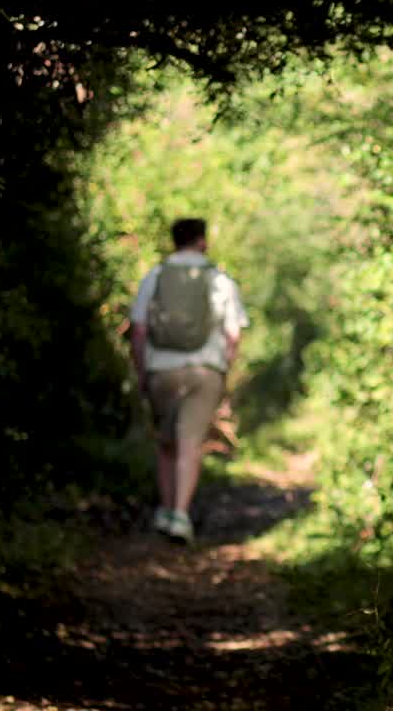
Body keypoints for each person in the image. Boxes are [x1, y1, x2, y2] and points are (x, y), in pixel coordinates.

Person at [129, 218, 249, 543]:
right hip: (205, 370)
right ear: (202, 241)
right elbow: (233, 334)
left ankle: (165, 512)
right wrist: (224, 370)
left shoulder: (155, 277)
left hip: (161, 370)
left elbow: (138, 330)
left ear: (174, 241)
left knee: (166, 443)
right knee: (190, 442)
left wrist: (142, 372)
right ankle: (181, 516)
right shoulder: (219, 279)